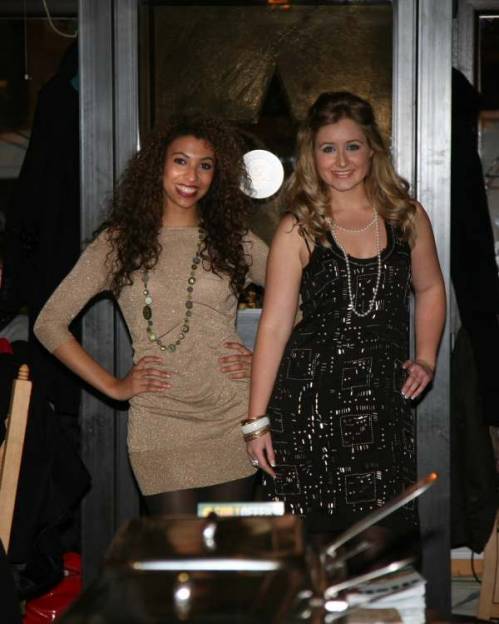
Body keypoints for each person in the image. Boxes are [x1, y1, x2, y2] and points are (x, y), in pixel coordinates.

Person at [34, 115, 268, 515]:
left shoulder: (235, 241)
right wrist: (114, 387)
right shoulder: (118, 243)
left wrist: (262, 361)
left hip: (231, 418)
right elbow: (48, 323)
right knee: (177, 548)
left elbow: (306, 302)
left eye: (205, 165)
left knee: (225, 549)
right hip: (159, 424)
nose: (192, 176)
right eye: (181, 161)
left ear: (217, 175)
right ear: (158, 164)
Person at [245, 92, 446, 538]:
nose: (341, 161)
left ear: (372, 149)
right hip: (308, 406)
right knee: (312, 544)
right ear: (311, 155)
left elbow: (431, 288)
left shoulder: (407, 216)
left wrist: (426, 358)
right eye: (328, 148)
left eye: (352, 146)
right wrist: (256, 421)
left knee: (381, 541)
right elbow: (274, 327)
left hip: (383, 405)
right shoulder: (299, 227)